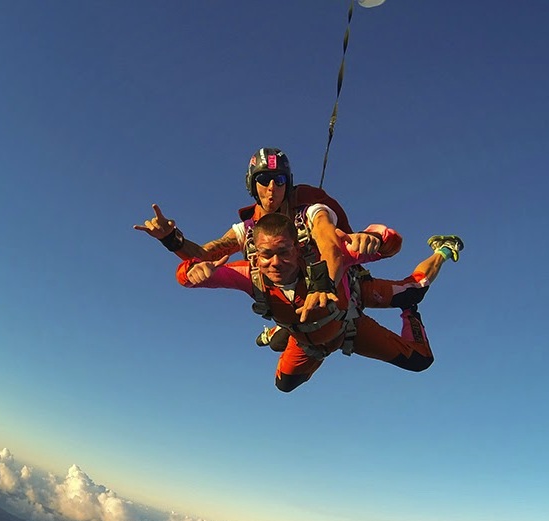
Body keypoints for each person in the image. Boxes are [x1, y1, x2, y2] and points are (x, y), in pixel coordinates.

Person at [135, 147, 405, 348]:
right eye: (264, 179)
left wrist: (325, 284)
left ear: (289, 184)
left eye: (279, 180)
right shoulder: (248, 229)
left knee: (410, 328)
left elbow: (329, 244)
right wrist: (171, 239)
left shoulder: (311, 212)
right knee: (285, 382)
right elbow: (205, 255)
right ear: (252, 184)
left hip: (335, 280)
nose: (272, 188)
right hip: (294, 297)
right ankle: (284, 325)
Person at [176, 212, 463, 392]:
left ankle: (442, 252)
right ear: (255, 254)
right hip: (309, 341)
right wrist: (193, 270)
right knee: (284, 385)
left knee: (418, 337)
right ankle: (283, 330)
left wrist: (373, 237)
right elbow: (185, 277)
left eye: (284, 252)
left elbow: (392, 243)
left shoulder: (326, 253)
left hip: (350, 317)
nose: (275, 262)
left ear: (297, 248)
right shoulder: (250, 275)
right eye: (266, 255)